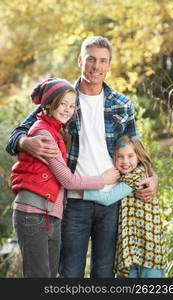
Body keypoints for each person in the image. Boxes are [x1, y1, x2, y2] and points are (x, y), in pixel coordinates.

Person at [6, 36, 158, 278]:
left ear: (109, 65)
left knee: (104, 273)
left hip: (111, 199)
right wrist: (27, 143)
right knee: (70, 273)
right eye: (90, 60)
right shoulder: (63, 98)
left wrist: (152, 176)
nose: (96, 67)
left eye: (102, 61)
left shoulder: (122, 105)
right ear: (80, 60)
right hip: (73, 200)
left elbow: (135, 150)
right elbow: (16, 135)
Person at [10, 77, 120, 278]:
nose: (68, 110)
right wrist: (103, 179)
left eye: (72, 106)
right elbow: (68, 180)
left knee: (50, 276)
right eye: (63, 104)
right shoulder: (43, 133)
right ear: (50, 105)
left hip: (50, 214)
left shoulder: (57, 131)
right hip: (33, 213)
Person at [84, 136, 166, 278]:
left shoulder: (136, 177)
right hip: (135, 245)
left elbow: (108, 198)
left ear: (139, 157)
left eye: (130, 156)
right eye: (119, 157)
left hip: (146, 245)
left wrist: (81, 190)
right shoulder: (130, 175)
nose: (125, 161)